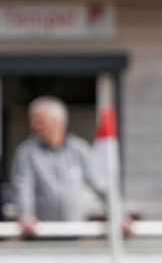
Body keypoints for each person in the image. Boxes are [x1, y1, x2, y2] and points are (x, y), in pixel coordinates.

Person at [11, 96, 107, 236]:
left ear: (57, 122)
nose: (34, 125)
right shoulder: (27, 153)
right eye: (32, 120)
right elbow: (23, 187)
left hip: (75, 232)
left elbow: (101, 184)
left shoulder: (78, 150)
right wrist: (26, 216)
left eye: (39, 121)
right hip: (40, 234)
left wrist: (119, 215)